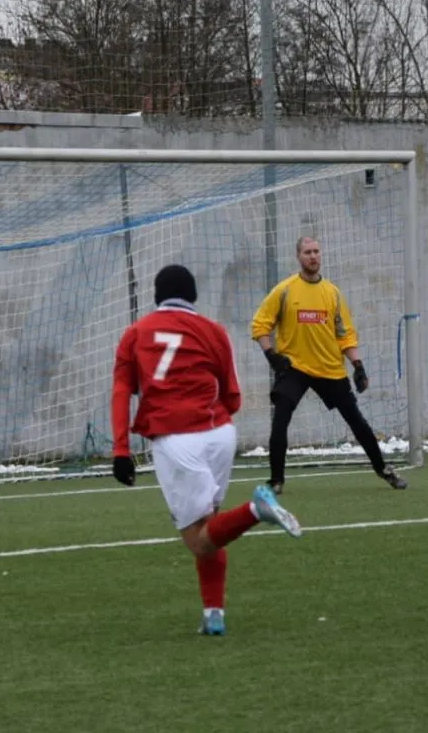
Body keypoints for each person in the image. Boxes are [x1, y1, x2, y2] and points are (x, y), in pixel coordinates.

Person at [111, 263, 302, 637]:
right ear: (193, 296)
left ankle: (255, 509)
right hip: (219, 434)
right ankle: (214, 614)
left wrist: (121, 450)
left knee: (197, 541)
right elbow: (233, 396)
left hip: (176, 439)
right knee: (210, 527)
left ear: (156, 296)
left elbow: (121, 392)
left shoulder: (136, 333)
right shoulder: (214, 331)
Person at [251, 236, 407, 496]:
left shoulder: (333, 293)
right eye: (307, 252)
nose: (313, 256)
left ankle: (384, 469)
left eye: (316, 251)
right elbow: (260, 325)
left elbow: (345, 335)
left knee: (356, 420)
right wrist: (271, 355)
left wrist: (358, 366)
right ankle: (276, 480)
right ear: (298, 257)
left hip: (330, 368)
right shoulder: (284, 290)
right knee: (281, 418)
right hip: (295, 368)